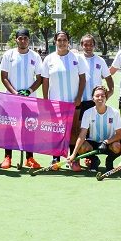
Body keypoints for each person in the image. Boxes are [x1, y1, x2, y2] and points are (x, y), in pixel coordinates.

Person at [41, 30, 88, 170]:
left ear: (68, 41)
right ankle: (55, 159)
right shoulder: (49, 59)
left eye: (64, 40)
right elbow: (45, 81)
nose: (62, 43)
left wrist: (79, 97)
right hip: (56, 103)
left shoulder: (77, 58)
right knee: (57, 131)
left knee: (73, 131)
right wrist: (45, 100)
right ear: (55, 41)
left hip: (73, 103)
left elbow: (83, 79)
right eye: (59, 40)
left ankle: (72, 159)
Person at [0, 28, 44, 169]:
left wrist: (29, 91)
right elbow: (3, 77)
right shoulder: (8, 54)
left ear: (29, 40)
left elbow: (40, 78)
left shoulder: (35, 56)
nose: (23, 40)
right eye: (20, 38)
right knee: (10, 128)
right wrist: (14, 93)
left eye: (25, 38)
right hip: (11, 99)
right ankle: (8, 157)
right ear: (16, 39)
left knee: (29, 128)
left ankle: (29, 158)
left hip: (30, 100)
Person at [67, 86, 121, 172]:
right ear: (93, 99)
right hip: (92, 143)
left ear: (106, 98)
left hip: (109, 143)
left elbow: (119, 134)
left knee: (117, 146)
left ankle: (109, 161)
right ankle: (94, 161)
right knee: (82, 147)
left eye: (102, 96)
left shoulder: (114, 113)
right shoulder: (87, 113)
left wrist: (106, 142)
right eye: (97, 96)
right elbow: (82, 135)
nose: (100, 98)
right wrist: (73, 154)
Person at [78, 34, 115, 119]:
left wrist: (111, 91)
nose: (88, 47)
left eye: (91, 45)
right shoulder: (77, 59)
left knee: (93, 127)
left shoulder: (100, 60)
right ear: (81, 45)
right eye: (85, 45)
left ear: (94, 45)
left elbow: (108, 77)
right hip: (80, 100)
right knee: (80, 128)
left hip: (95, 101)